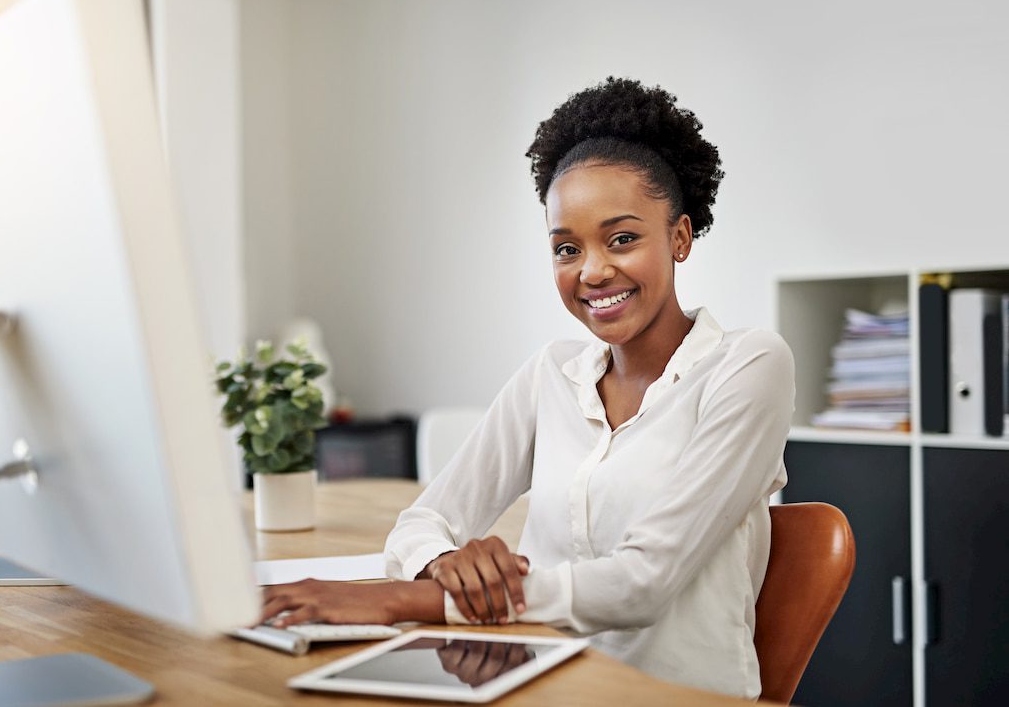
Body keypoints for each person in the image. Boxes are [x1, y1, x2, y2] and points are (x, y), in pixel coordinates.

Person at [260, 77, 794, 700]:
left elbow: (644, 582)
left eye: (621, 238)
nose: (592, 270)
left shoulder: (750, 365)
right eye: (567, 248)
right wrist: (445, 565)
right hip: (534, 684)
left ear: (679, 237)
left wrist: (400, 599)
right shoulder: (552, 374)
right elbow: (423, 521)